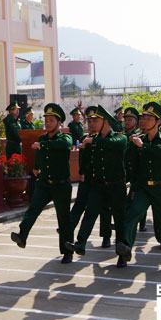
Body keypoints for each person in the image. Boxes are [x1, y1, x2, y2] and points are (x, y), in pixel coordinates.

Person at [116, 102, 161, 271]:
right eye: (143, 118)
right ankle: (125, 249)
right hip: (142, 187)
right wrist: (134, 188)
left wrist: (143, 146)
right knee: (131, 215)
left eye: (149, 118)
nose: (144, 121)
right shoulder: (136, 140)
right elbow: (132, 166)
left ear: (158, 122)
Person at [11, 103, 74, 264]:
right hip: (44, 184)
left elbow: (65, 145)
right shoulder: (42, 138)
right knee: (33, 209)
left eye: (51, 121)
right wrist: (36, 168)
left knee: (63, 218)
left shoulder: (64, 137)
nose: (47, 123)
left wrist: (43, 145)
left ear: (59, 123)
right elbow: (40, 156)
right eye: (46, 120)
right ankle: (22, 236)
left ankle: (67, 251)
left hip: (61, 185)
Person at [66, 105, 128, 267]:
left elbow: (114, 144)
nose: (91, 123)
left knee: (119, 219)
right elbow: (87, 163)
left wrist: (94, 141)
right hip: (98, 185)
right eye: (90, 120)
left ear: (106, 122)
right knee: (90, 212)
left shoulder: (119, 138)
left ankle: (122, 254)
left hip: (116, 186)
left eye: (96, 120)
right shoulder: (91, 140)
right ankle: (80, 243)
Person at [123, 107, 147, 232]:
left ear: (136, 121)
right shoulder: (121, 135)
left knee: (135, 198)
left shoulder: (140, 136)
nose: (127, 122)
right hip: (126, 171)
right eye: (125, 119)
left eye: (130, 119)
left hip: (137, 172)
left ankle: (140, 223)